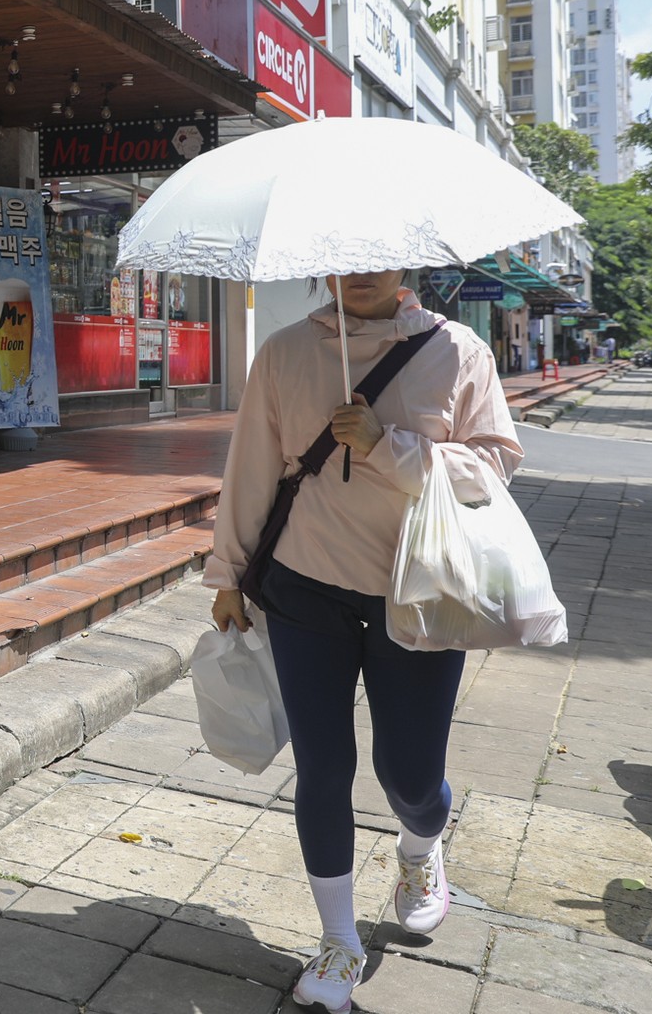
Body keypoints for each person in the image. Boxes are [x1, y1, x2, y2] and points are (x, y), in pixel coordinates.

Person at [207, 270, 522, 1013]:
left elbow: (495, 467)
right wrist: (227, 574)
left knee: (410, 775)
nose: (362, 268)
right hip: (304, 588)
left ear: (409, 264)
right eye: (346, 252)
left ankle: (420, 851)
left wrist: (391, 446)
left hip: (421, 594)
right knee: (323, 764)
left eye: (380, 253)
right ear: (323, 265)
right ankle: (339, 939)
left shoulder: (460, 352)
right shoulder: (285, 352)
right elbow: (251, 467)